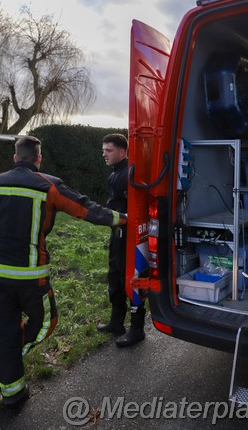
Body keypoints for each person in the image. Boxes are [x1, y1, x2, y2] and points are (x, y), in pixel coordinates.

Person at [0, 135, 126, 408]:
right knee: (45, 322)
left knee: (5, 332)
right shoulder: (48, 185)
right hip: (31, 276)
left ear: (15, 157)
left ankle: (13, 392)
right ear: (39, 159)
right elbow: (86, 209)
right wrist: (122, 219)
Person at [96, 133, 145, 347]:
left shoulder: (128, 174)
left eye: (109, 150)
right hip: (118, 235)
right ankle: (116, 323)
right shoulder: (116, 174)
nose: (104, 154)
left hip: (130, 237)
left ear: (122, 152)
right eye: (104, 149)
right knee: (114, 276)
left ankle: (137, 329)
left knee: (132, 279)